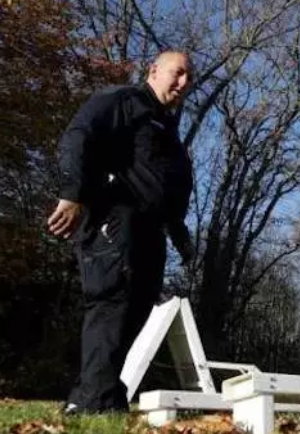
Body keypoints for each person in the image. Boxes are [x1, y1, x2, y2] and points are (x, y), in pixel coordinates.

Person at [47, 51, 195, 415]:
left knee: (137, 309)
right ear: (154, 71)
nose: (183, 83)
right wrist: (72, 194)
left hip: (151, 230)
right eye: (177, 73)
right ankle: (94, 401)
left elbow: (167, 184)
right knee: (112, 303)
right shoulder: (123, 101)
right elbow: (78, 135)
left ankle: (98, 395)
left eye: (189, 78)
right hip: (114, 218)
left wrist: (179, 232)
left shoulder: (167, 128)